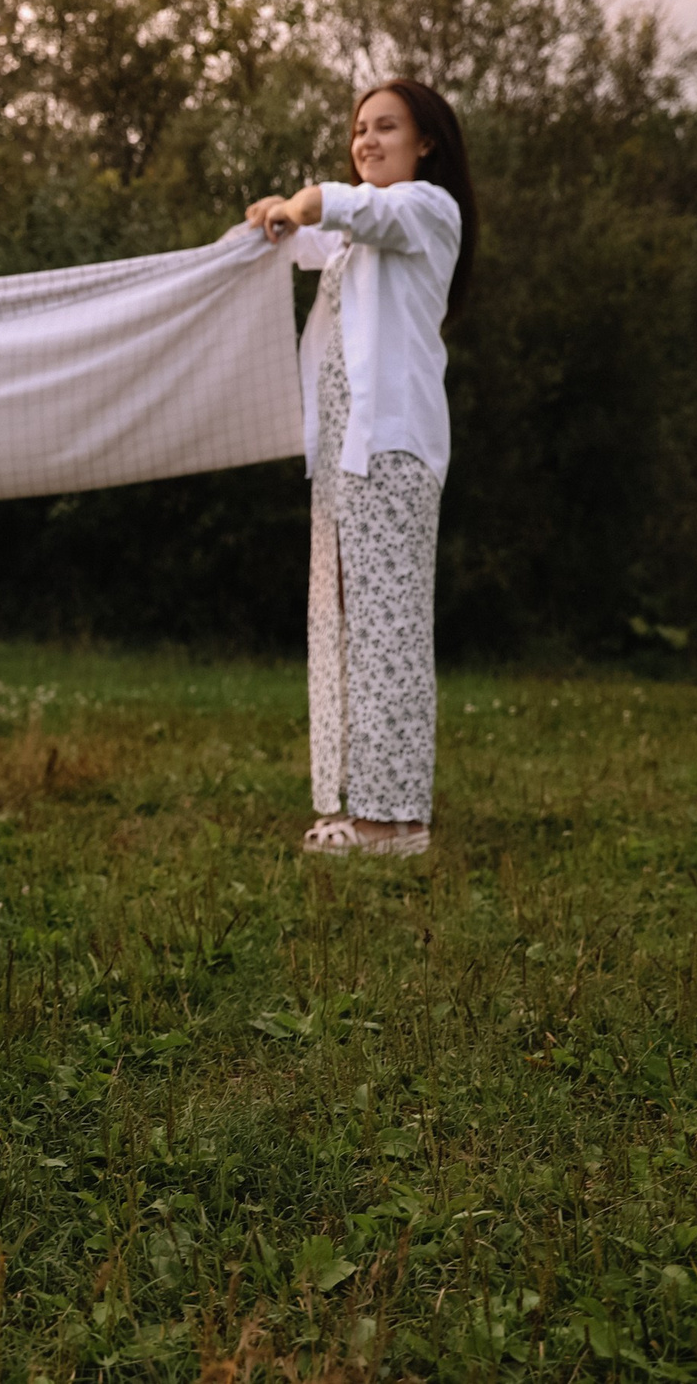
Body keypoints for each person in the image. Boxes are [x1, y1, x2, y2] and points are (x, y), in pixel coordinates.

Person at [246, 78, 477, 857]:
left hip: (391, 453)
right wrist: (274, 219)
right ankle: (379, 808)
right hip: (347, 462)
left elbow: (349, 207)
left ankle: (392, 822)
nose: (367, 141)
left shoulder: (425, 210)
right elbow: (311, 236)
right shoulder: (358, 236)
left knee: (390, 632)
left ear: (426, 143)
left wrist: (305, 199)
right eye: (358, 130)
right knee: (355, 628)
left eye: (385, 128)